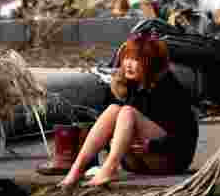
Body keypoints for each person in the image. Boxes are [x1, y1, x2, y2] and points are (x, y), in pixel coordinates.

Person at [60, 34, 198, 187]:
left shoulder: (170, 89)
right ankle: (77, 168)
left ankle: (109, 169)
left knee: (127, 112)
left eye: (136, 60)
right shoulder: (129, 85)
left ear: (152, 63)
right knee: (114, 109)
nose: (128, 64)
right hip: (135, 163)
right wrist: (112, 142)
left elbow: (185, 138)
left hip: (168, 161)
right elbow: (107, 128)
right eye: (127, 58)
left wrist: (152, 146)